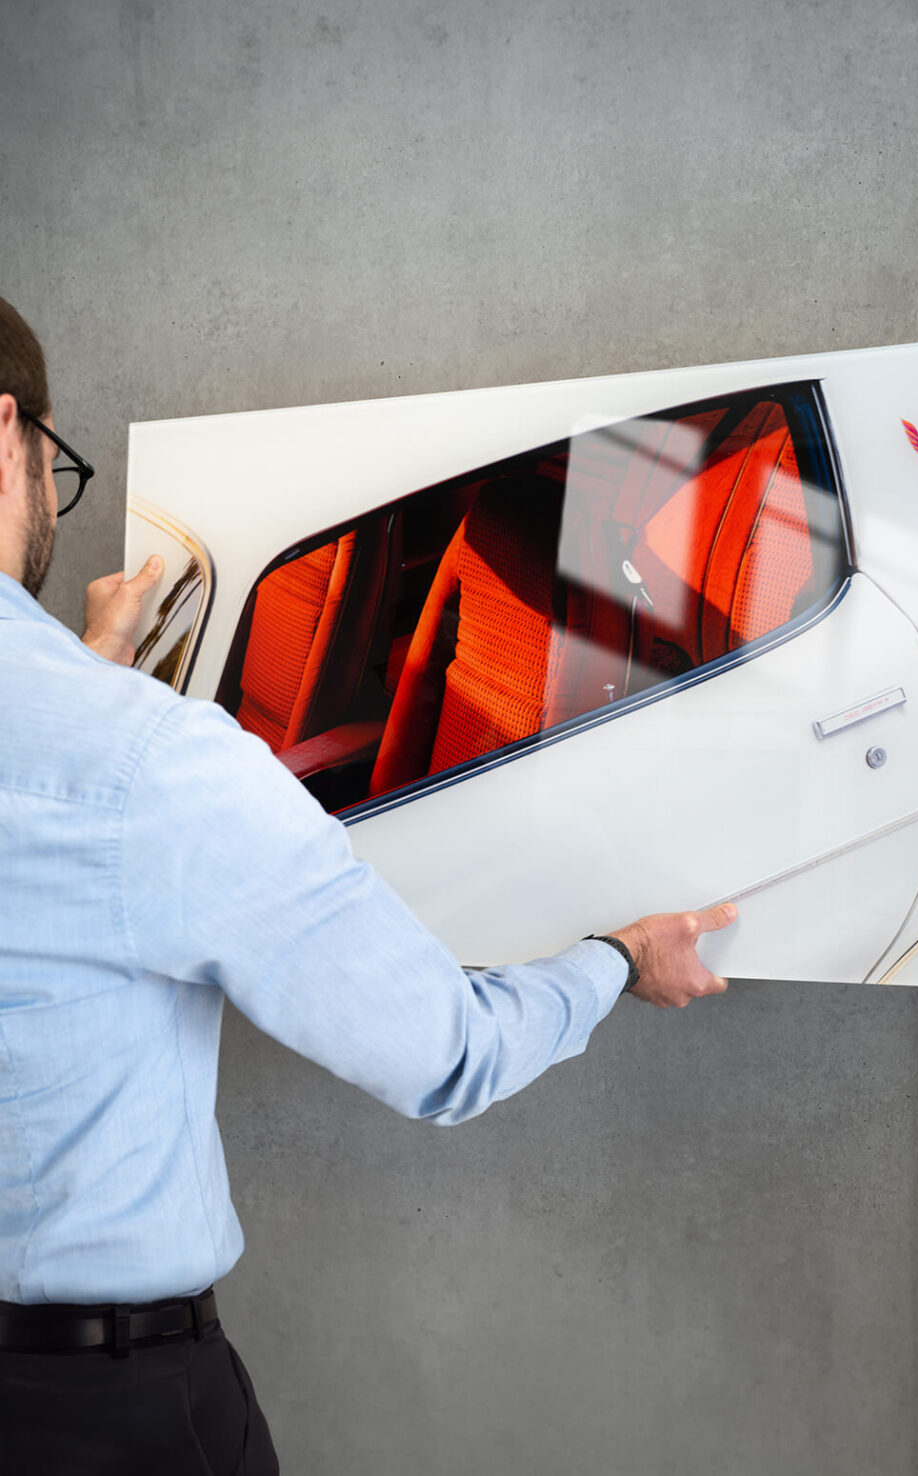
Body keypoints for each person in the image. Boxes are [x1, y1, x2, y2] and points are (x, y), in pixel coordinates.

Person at [0, 297, 736, 1475]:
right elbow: (445, 1056)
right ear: (5, 436)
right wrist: (614, 960)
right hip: (92, 1417)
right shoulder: (152, 766)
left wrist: (90, 678)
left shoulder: (115, 761)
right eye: (56, 465)